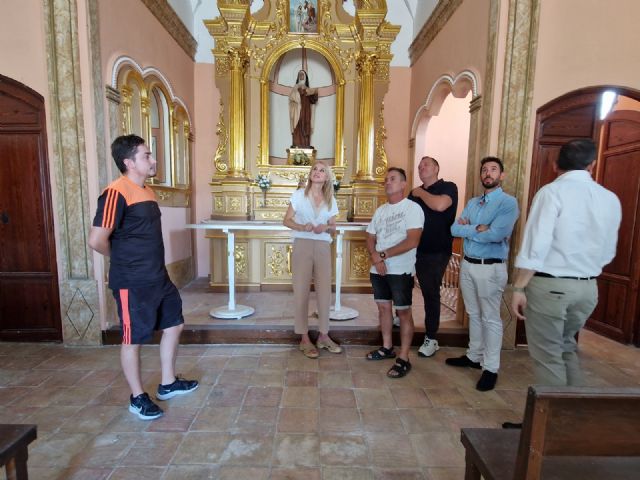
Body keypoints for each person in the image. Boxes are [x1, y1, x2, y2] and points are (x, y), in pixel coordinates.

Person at [88, 134, 198, 420]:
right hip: (132, 281)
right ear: (129, 162)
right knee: (132, 337)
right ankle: (137, 397)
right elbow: (96, 239)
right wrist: (123, 260)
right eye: (146, 155)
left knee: (174, 324)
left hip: (158, 277)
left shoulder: (147, 191)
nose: (153, 160)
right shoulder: (115, 192)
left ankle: (168, 383)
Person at [511, 139, 621, 387]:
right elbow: (608, 251)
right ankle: (574, 409)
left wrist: (518, 287)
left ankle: (553, 413)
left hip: (551, 287)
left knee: (548, 356)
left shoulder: (551, 192)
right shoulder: (609, 198)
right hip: (588, 288)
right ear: (592, 165)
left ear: (555, 164)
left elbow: (536, 246)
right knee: (566, 347)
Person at [447, 157, 519, 391]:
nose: (488, 173)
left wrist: (471, 230)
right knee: (473, 313)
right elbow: (454, 229)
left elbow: (496, 234)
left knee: (490, 317)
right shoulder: (473, 202)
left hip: (490, 267)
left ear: (502, 175)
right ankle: (474, 356)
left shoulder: (508, 203)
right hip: (468, 264)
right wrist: (478, 229)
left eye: (493, 169)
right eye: (485, 170)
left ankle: (490, 368)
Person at [366, 168, 424, 378]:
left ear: (403, 184)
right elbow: (370, 236)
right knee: (383, 308)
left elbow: (412, 240)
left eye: (392, 179)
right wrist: (375, 257)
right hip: (379, 268)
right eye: (386, 180)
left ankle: (404, 357)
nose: (387, 182)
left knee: (403, 311)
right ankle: (387, 347)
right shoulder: (381, 210)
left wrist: (382, 255)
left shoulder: (412, 208)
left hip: (400, 268)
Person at [283, 160, 342, 358]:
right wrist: (302, 227)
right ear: (310, 174)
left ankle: (324, 335)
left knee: (324, 291)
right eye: (315, 169)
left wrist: (325, 227)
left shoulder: (330, 199)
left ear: (327, 177)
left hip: (323, 246)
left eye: (322, 170)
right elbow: (286, 220)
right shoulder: (299, 195)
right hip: (302, 244)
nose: (317, 172)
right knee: (301, 290)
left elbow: (333, 227)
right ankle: (304, 338)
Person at [408, 156, 458, 358]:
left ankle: (431, 337)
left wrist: (420, 192)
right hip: (412, 249)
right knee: (403, 286)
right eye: (419, 166)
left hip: (436, 251)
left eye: (426, 164)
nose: (421, 168)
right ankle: (401, 318)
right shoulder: (413, 195)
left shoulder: (448, 187)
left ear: (437, 168)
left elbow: (440, 206)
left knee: (430, 293)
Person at [289, 70, 318, 148]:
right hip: (297, 110)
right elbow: (291, 98)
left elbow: (313, 100)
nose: (301, 76)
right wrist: (299, 93)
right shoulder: (295, 88)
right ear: (298, 77)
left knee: (306, 125)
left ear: (305, 77)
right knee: (298, 125)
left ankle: (306, 144)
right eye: (300, 75)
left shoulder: (308, 89)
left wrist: (314, 92)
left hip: (306, 110)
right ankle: (296, 144)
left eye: (302, 75)